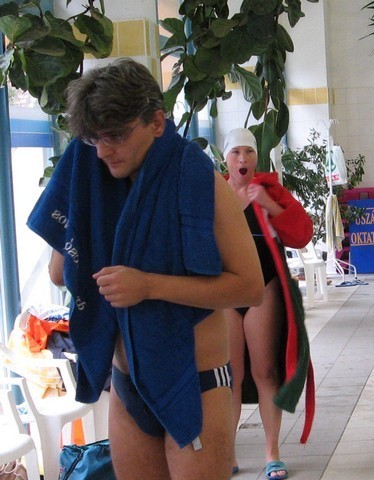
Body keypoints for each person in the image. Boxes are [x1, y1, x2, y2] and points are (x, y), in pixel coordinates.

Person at [27, 58, 264, 480]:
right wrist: (85, 206)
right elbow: (60, 273)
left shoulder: (200, 181)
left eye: (116, 136)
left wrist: (149, 285)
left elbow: (249, 287)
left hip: (197, 382)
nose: (104, 151)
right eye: (95, 139)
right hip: (128, 384)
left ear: (156, 122)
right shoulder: (93, 176)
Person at [222, 128, 315, 479]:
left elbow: (302, 234)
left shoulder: (270, 190)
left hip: (264, 289)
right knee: (229, 376)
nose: (242, 159)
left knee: (265, 371)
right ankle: (227, 453)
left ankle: (272, 452)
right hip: (226, 292)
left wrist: (269, 204)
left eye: (248, 152)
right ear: (225, 159)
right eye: (235, 152)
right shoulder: (214, 193)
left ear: (257, 157)